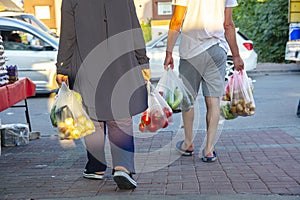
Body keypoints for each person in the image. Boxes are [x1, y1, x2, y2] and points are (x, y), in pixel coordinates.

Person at [56, 0, 151, 190]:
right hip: (121, 61)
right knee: (121, 115)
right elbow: (134, 26)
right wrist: (142, 60)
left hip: (86, 61)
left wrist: (62, 66)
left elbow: (68, 35)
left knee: (92, 117)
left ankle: (96, 167)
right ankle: (123, 167)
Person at [164, 0, 244, 162]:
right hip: (216, 49)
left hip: (191, 51)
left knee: (188, 100)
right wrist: (236, 55)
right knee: (213, 100)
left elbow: (177, 20)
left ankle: (188, 143)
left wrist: (169, 52)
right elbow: (228, 24)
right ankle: (209, 149)